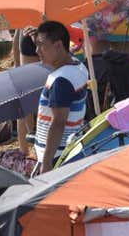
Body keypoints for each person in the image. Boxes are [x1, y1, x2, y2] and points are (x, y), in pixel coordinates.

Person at [32, 20, 88, 170]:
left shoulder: (61, 81)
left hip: (57, 157)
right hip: (71, 150)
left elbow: (58, 122)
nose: (37, 51)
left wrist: (47, 162)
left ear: (58, 46)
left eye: (42, 45)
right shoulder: (79, 66)